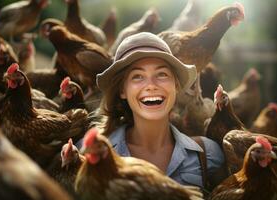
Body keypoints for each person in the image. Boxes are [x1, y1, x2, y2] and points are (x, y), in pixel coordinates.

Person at [81, 32, 225, 190]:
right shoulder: (86, 155)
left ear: (175, 86)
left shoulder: (209, 155)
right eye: (137, 76)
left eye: (162, 74)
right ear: (122, 90)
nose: (151, 85)